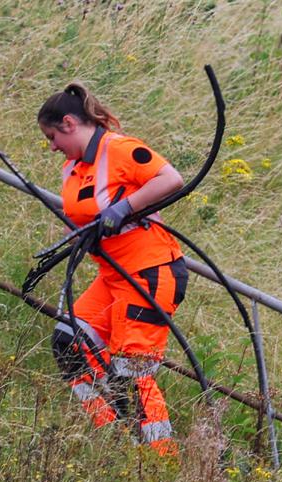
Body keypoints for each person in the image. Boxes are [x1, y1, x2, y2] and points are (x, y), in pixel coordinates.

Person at [37, 83, 188, 458]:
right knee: (68, 345)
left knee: (131, 375)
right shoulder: (73, 167)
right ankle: (114, 436)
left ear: (69, 123)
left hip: (150, 274)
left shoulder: (119, 149)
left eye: (52, 136)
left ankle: (159, 462)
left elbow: (172, 179)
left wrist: (123, 210)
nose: (52, 146)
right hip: (112, 276)